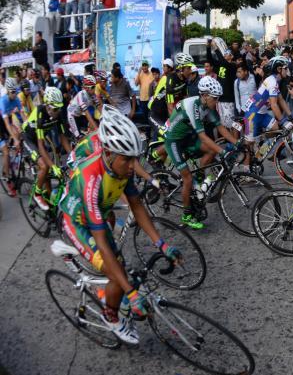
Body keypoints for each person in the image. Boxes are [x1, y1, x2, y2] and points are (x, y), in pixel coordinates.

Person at [58, 107, 180, 344]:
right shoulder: (90, 179)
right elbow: (102, 241)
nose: (134, 166)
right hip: (78, 223)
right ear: (110, 153)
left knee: (119, 267)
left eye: (136, 158)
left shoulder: (122, 165)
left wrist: (162, 245)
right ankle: (110, 315)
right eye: (128, 159)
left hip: (99, 215)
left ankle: (113, 292)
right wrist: (132, 293)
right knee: (116, 274)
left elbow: (137, 207)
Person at [162, 76, 238, 229]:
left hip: (188, 137)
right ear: (204, 95)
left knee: (210, 151)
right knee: (187, 179)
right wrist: (223, 152)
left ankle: (198, 187)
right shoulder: (194, 106)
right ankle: (186, 215)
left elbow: (221, 128)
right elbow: (203, 136)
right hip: (174, 141)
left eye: (218, 98)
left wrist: (237, 144)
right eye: (215, 98)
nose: (217, 102)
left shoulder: (208, 107)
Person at [25, 86, 72, 210]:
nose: (58, 111)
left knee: (49, 175)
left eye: (59, 107)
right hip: (29, 139)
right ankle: (37, 193)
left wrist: (73, 156)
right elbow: (40, 145)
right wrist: (53, 166)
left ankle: (49, 202)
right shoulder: (40, 112)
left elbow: (63, 138)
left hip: (40, 139)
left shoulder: (58, 114)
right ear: (48, 105)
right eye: (55, 108)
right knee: (45, 166)